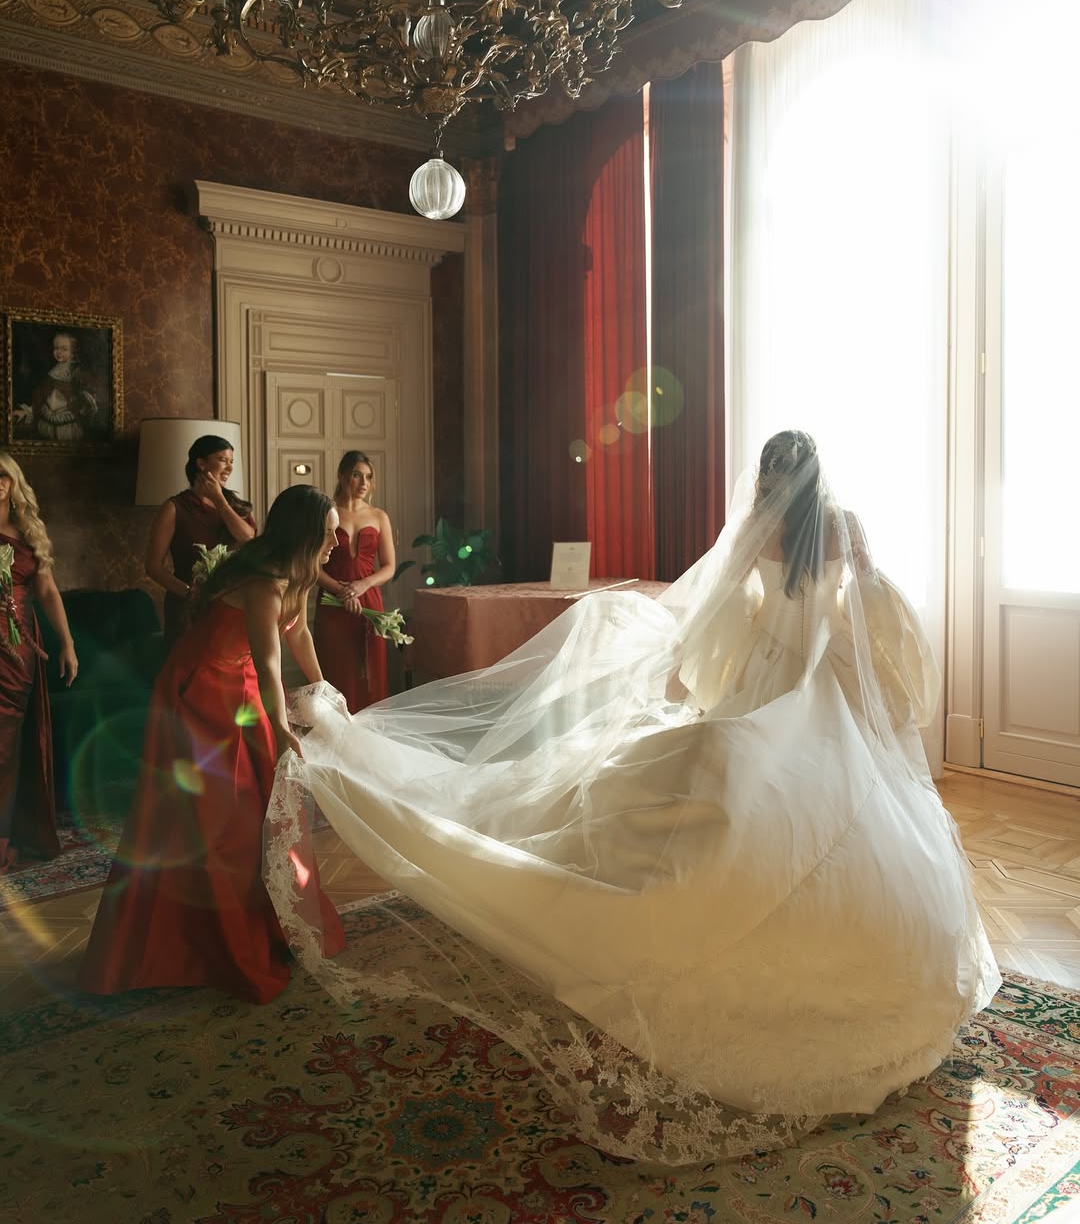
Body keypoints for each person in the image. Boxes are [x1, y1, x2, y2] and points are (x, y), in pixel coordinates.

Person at [265, 430, 1001, 1163]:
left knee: (750, 787)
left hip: (778, 683)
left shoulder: (777, 527)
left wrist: (712, 674)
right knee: (791, 795)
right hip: (804, 690)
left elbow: (747, 613)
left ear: (773, 476)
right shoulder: (830, 528)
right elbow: (859, 614)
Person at [80, 485, 345, 1003]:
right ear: (305, 532)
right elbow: (269, 664)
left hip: (242, 686)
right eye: (329, 532)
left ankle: (272, 924)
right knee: (215, 816)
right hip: (199, 690)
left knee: (263, 804)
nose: (337, 542)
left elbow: (299, 637)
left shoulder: (299, 575)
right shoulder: (264, 582)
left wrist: (325, 695)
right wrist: (282, 727)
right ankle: (196, 944)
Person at [0, 453, 78, 872]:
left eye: (3, 475)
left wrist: (67, 642)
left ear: (13, 482)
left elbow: (47, 590)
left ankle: (5, 835)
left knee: (8, 744)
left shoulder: (28, 530)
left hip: (19, 649)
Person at [145, 433, 256, 650]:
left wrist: (219, 499)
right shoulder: (174, 507)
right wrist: (191, 593)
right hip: (187, 608)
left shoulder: (236, 506)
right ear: (201, 463)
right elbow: (153, 566)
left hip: (231, 604)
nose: (230, 468)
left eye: (231, 461)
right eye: (223, 460)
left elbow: (247, 538)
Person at [312, 451, 396, 710]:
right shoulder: (325, 512)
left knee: (369, 672)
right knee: (336, 668)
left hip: (368, 602)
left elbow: (389, 567)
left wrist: (362, 585)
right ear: (342, 475)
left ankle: (369, 729)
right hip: (332, 602)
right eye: (357, 475)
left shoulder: (379, 516)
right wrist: (341, 590)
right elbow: (311, 565)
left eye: (369, 477)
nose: (364, 483)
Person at [13, 332, 100, 444]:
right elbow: (41, 398)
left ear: (73, 352)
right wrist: (27, 412)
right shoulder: (52, 372)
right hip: (45, 425)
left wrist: (84, 405)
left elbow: (88, 405)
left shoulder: (77, 375)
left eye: (64, 349)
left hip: (67, 428)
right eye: (56, 348)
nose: (59, 352)